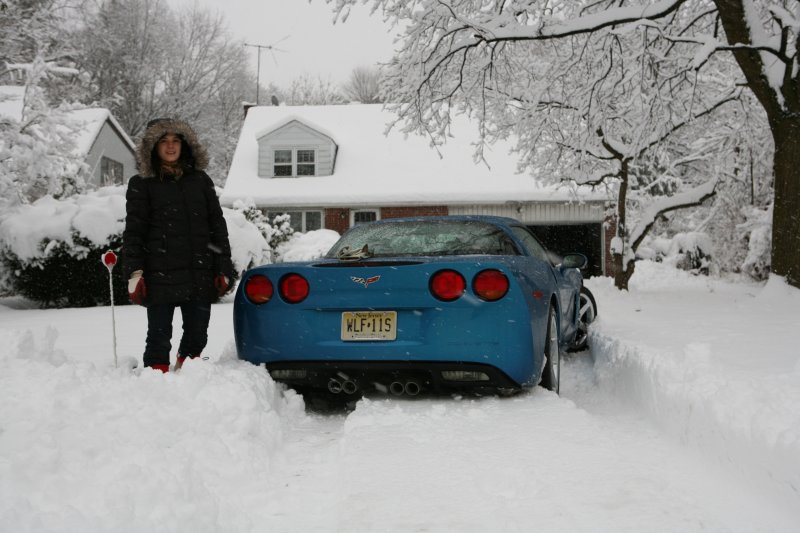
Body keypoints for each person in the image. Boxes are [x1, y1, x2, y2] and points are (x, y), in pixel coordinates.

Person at [122, 118, 234, 372]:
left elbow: (217, 227)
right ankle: (156, 378)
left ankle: (189, 370)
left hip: (199, 271)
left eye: (175, 141)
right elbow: (134, 232)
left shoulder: (200, 181)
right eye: (164, 141)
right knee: (158, 337)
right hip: (159, 272)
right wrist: (135, 272)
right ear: (153, 147)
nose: (170, 147)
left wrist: (223, 266)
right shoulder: (141, 184)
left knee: (198, 333)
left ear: (185, 146)